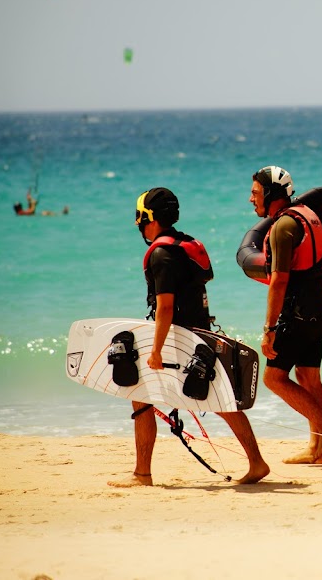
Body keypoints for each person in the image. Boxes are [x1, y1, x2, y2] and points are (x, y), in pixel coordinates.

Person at [110, 187, 269, 487]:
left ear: (150, 219)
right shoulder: (185, 245)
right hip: (200, 336)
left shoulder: (161, 254)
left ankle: (142, 474)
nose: (140, 227)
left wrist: (155, 351)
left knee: (140, 396)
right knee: (221, 402)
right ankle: (257, 462)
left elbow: (166, 307)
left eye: (141, 220)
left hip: (178, 340)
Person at [249, 166, 322, 464]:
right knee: (309, 377)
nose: (251, 199)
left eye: (255, 193)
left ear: (272, 195)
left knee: (273, 378)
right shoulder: (308, 215)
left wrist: (270, 328)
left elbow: (278, 281)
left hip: (299, 313)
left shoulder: (282, 228)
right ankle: (319, 451)